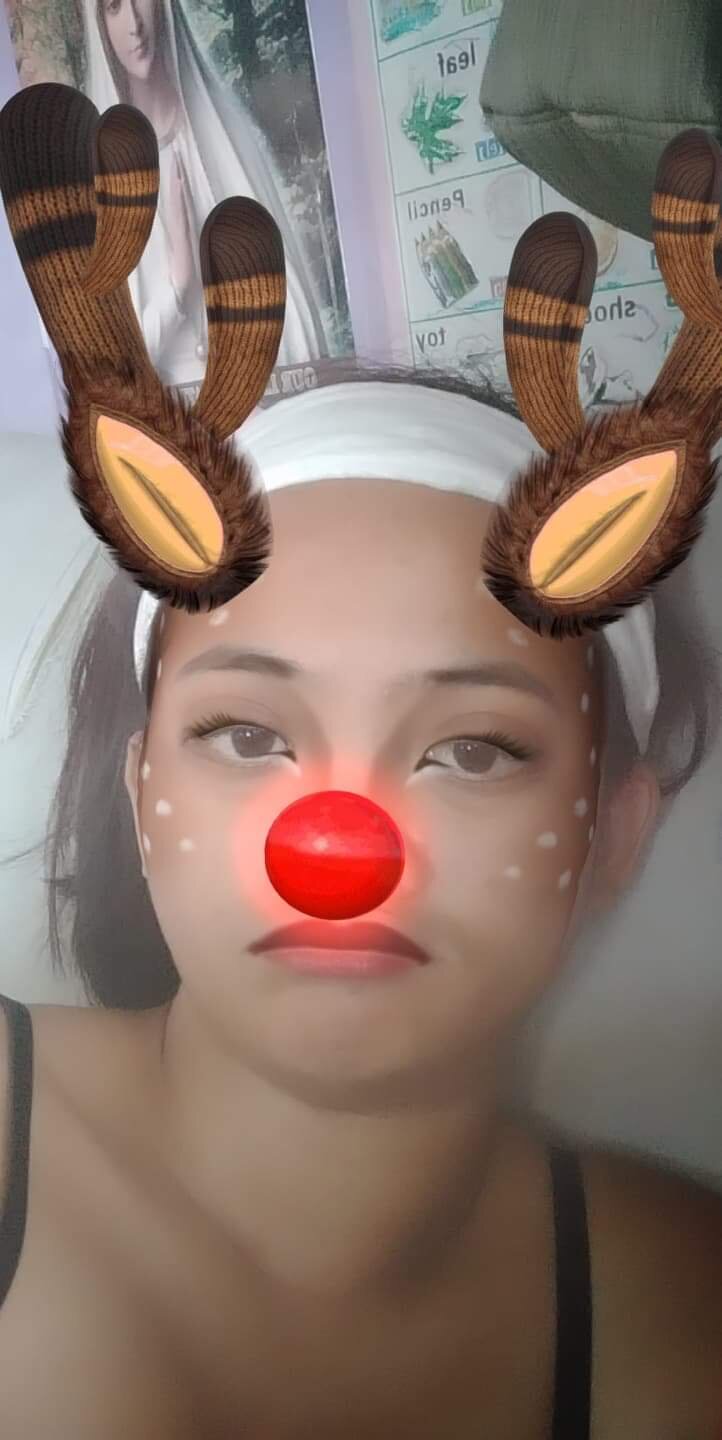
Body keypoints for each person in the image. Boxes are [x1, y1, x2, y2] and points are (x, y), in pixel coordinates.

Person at [1, 84, 722, 1438]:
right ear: (139, 791)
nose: (337, 841)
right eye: (247, 734)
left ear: (615, 829)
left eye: (470, 750)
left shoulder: (687, 1306)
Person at [84, 0, 328, 385]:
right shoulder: (100, 180)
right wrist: (179, 282)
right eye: (114, 7)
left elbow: (291, 310)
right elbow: (113, 370)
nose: (134, 24)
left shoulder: (222, 133)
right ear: (99, 25)